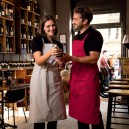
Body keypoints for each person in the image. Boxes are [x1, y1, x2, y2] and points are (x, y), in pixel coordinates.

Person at [57, 6, 104, 129]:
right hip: (77, 80)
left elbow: (94, 58)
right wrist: (65, 62)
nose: (73, 21)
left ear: (85, 21)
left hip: (88, 82)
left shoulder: (95, 35)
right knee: (80, 114)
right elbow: (77, 59)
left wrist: (71, 58)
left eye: (75, 19)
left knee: (92, 114)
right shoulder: (77, 36)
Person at [29, 15, 66, 129]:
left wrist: (61, 64)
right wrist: (50, 52)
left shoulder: (58, 44)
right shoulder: (37, 41)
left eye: (53, 25)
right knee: (40, 115)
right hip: (40, 79)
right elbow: (39, 61)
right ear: (43, 28)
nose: (51, 28)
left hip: (54, 79)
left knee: (54, 116)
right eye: (48, 26)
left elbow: (60, 66)